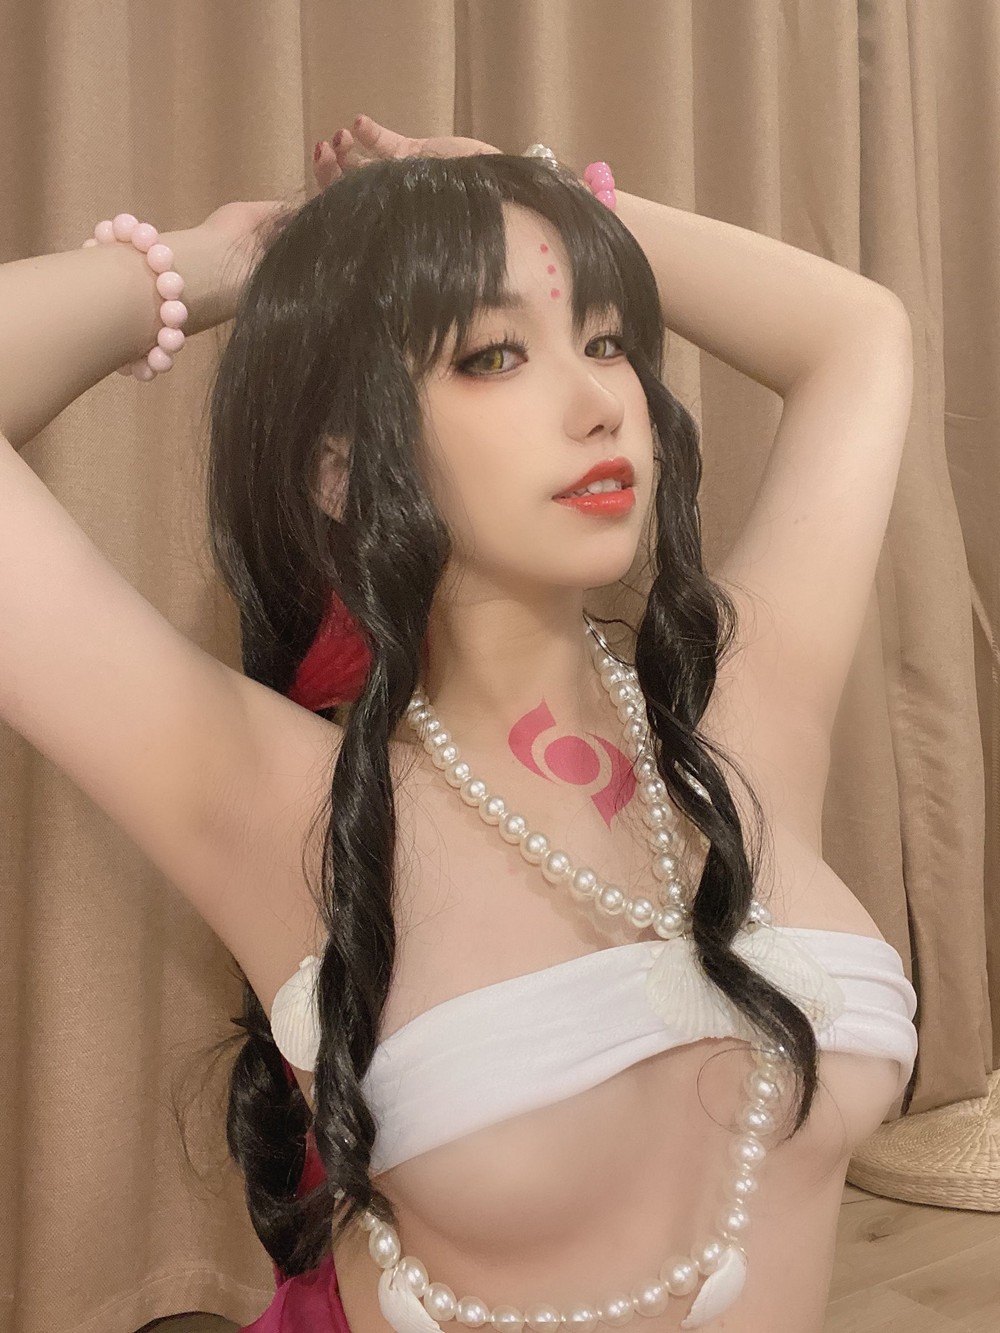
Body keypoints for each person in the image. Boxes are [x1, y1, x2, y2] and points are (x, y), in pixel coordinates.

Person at [0, 114, 917, 1333]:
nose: (599, 403)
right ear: (338, 469)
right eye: (493, 355)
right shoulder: (283, 804)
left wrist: (548, 198)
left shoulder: (741, 716)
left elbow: (860, 335)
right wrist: (229, 261)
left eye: (606, 341)